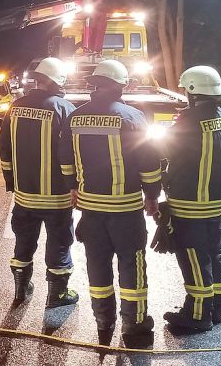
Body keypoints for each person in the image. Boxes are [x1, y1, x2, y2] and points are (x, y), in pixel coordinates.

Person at [59, 59, 162, 342]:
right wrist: (152, 196)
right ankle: (135, 325)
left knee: (97, 265)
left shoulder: (75, 118)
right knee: (132, 265)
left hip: (90, 211)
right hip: (126, 210)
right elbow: (150, 163)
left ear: (95, 84)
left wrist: (72, 188)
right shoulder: (133, 117)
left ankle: (103, 321)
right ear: (120, 85)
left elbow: (65, 160)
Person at [0, 57, 79, 308]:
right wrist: (75, 185)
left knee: (23, 242)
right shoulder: (65, 109)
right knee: (59, 243)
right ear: (57, 81)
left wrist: (11, 182)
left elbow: (4, 148)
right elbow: (73, 151)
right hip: (57, 197)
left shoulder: (15, 107)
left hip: (24, 195)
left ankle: (21, 291)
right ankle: (57, 295)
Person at [162, 65, 221, 332]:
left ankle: (197, 316)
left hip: (190, 203)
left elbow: (166, 148)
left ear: (193, 91)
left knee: (193, 256)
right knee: (214, 254)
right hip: (215, 203)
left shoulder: (189, 121)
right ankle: (217, 310)